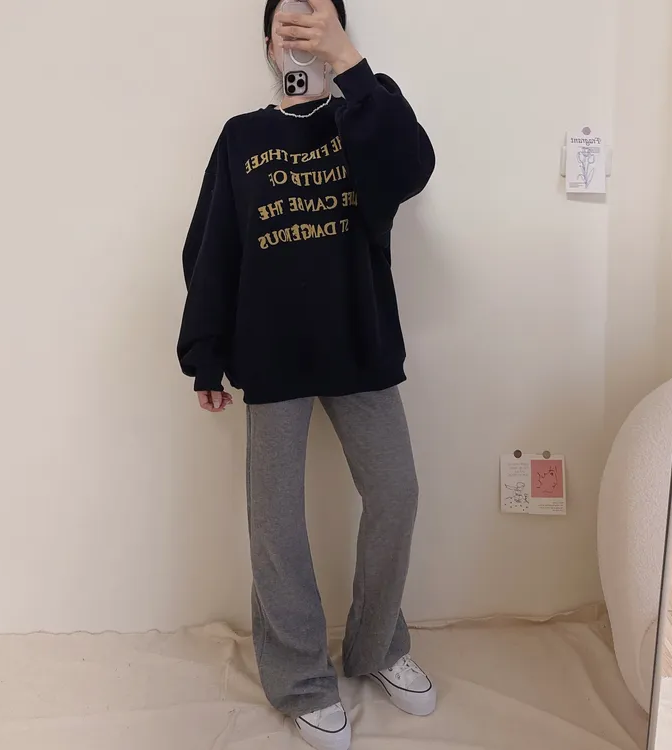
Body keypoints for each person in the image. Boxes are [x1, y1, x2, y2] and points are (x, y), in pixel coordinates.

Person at [178, 2, 436, 748]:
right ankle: (299, 679)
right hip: (271, 351)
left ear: (339, 33)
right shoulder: (243, 137)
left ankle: (376, 645)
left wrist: (349, 65)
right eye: (286, 25)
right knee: (276, 524)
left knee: (397, 493)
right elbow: (213, 246)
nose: (299, 34)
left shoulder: (367, 112)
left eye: (315, 20)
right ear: (267, 44)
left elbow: (412, 169)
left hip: (360, 342)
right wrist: (205, 351)